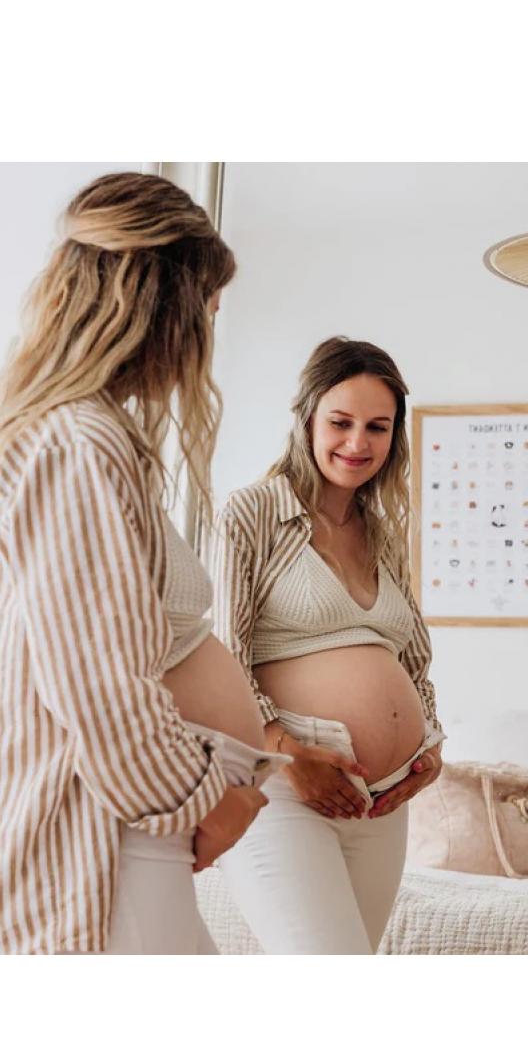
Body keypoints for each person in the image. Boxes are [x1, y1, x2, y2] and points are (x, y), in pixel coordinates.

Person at [0, 172, 360, 955]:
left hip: (119, 825)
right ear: (163, 303)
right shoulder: (75, 444)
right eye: (207, 309)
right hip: (90, 833)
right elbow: (101, 686)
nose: (208, 334)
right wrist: (213, 796)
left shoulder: (63, 434)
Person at [211, 336, 446, 954]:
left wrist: (431, 744)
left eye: (378, 427)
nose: (357, 443)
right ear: (307, 418)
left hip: (381, 803)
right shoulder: (252, 514)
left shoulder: (385, 533)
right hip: (283, 789)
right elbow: (221, 652)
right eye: (341, 422)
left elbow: (413, 660)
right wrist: (285, 753)